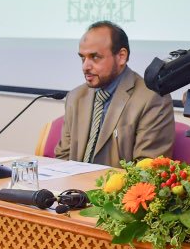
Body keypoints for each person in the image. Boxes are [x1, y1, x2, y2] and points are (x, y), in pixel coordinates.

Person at [54, 21, 175, 166]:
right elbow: (63, 157)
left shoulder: (152, 98)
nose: (85, 66)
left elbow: (147, 171)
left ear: (121, 56)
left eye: (95, 57)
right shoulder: (75, 97)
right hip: (73, 187)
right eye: (82, 58)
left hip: (117, 188)